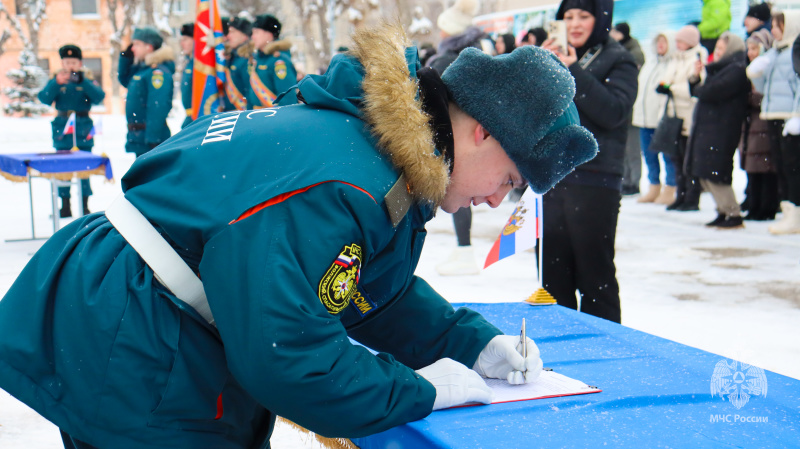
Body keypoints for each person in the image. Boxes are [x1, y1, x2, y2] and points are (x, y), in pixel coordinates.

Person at [0, 22, 597, 448]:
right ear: (483, 132)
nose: (497, 199)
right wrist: (414, 391)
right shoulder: (344, 179)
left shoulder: (368, 148)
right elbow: (286, 355)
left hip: (126, 305)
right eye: (512, 181)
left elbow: (353, 286)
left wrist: (466, 342)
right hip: (135, 331)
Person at [541, 0, 638, 323]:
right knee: (551, 275)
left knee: (595, 276)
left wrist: (573, 71)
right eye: (568, 17)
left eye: (584, 15)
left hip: (596, 180)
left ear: (600, 19)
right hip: (553, 177)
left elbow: (614, 112)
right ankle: (558, 351)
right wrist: (538, 66)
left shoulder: (619, 59)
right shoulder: (554, 57)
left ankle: (605, 355)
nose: (575, 23)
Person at [427, 0, 489, 276]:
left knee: (455, 192)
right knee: (464, 193)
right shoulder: (477, 57)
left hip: (449, 138)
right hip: (474, 138)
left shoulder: (444, 61)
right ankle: (464, 249)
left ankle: (464, 251)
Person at [685, 32, 750, 229]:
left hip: (722, 128)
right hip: (711, 128)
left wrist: (701, 86)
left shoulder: (736, 70)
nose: (718, 53)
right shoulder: (721, 69)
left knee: (716, 172)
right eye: (717, 49)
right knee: (706, 171)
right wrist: (696, 78)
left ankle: (732, 212)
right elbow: (702, 91)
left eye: (722, 49)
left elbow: (710, 92)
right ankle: (722, 210)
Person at [37, 44, 106, 218]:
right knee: (63, 167)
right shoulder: (57, 80)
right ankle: (65, 205)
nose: (70, 66)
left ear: (80, 63)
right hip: (63, 128)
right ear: (62, 63)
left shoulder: (87, 79)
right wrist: (56, 83)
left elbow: (99, 97)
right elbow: (44, 98)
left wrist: (83, 81)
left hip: (83, 128)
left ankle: (85, 205)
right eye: (67, 62)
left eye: (73, 62)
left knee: (84, 166)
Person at [747, 10, 800, 234]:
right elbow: (763, 88)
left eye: (779, 26)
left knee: (793, 167)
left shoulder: (794, 53)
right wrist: (757, 75)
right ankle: (788, 211)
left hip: (789, 117)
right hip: (772, 114)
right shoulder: (775, 53)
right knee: (780, 166)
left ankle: (795, 213)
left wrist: (797, 115)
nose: (774, 30)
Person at [657, 25, 708, 211]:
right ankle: (681, 195)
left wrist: (671, 89)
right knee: (676, 158)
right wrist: (664, 86)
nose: (677, 44)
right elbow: (667, 80)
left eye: (680, 41)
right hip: (673, 115)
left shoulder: (697, 59)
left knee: (689, 160)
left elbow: (694, 89)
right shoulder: (676, 59)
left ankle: (692, 197)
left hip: (688, 117)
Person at [632, 32, 678, 205]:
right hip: (644, 118)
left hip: (661, 118)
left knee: (667, 155)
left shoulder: (672, 64)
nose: (660, 45)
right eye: (658, 41)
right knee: (649, 155)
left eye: (664, 41)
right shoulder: (649, 64)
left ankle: (670, 187)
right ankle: (654, 186)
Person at [118, 27, 175, 158]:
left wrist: (153, 139)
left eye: (137, 44)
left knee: (152, 177)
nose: (132, 48)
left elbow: (158, 106)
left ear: (149, 47)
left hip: (150, 140)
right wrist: (125, 59)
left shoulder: (157, 72)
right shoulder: (142, 70)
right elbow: (125, 80)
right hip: (140, 138)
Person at [741, 29, 778, 221]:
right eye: (749, 48)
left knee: (764, 167)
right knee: (752, 166)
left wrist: (747, 97)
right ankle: (753, 204)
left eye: (754, 48)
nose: (751, 52)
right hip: (750, 124)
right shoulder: (747, 68)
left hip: (763, 123)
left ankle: (766, 206)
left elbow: (765, 95)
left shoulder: (766, 67)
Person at [611, 22, 644, 196]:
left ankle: (634, 182)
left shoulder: (633, 52)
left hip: (633, 108)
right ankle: (626, 180)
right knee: (624, 149)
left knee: (632, 149)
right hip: (623, 110)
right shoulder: (620, 50)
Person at [247, 14, 297, 109]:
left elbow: (287, 101)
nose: (253, 37)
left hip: (272, 119)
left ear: (269, 34)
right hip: (257, 118)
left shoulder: (279, 61)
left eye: (256, 32)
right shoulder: (257, 59)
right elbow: (252, 96)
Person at [222, 16, 252, 111]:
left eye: (233, 32)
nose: (228, 36)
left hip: (242, 116)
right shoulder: (232, 57)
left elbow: (251, 94)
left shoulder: (248, 59)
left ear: (244, 35)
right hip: (231, 116)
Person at [179, 23, 194, 129]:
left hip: (198, 117)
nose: (182, 43)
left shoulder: (199, 64)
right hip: (190, 118)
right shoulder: (188, 62)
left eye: (186, 39)